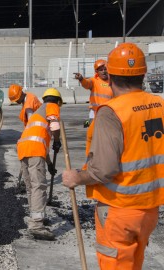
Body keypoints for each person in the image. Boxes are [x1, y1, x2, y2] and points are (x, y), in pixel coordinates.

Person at [62, 43, 164, 269]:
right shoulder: (159, 104)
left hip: (119, 210)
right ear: (143, 73)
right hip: (150, 209)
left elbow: (104, 170)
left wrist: (76, 177)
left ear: (110, 76)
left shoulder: (111, 113)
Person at [16, 88, 63, 240]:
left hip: (23, 150)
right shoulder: (52, 105)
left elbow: (38, 142)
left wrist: (49, 164)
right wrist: (57, 140)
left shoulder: (37, 114)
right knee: (38, 187)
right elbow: (55, 127)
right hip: (34, 151)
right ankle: (36, 225)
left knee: (31, 188)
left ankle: (35, 216)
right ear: (58, 101)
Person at [74, 59, 112, 127]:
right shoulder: (94, 80)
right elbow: (87, 84)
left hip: (109, 112)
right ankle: (87, 123)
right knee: (93, 130)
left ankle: (87, 123)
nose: (103, 72)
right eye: (101, 70)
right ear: (96, 71)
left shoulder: (113, 81)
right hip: (95, 112)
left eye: (105, 69)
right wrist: (81, 79)